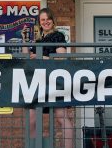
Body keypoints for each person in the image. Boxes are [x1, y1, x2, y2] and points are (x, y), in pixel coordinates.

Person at [22, 8, 74, 148]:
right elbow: (26, 56)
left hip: (55, 80)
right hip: (38, 81)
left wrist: (42, 57)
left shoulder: (58, 35)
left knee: (61, 116)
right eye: (42, 20)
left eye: (48, 19)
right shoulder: (39, 39)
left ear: (53, 20)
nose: (45, 22)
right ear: (39, 23)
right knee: (32, 117)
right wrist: (25, 41)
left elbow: (62, 58)